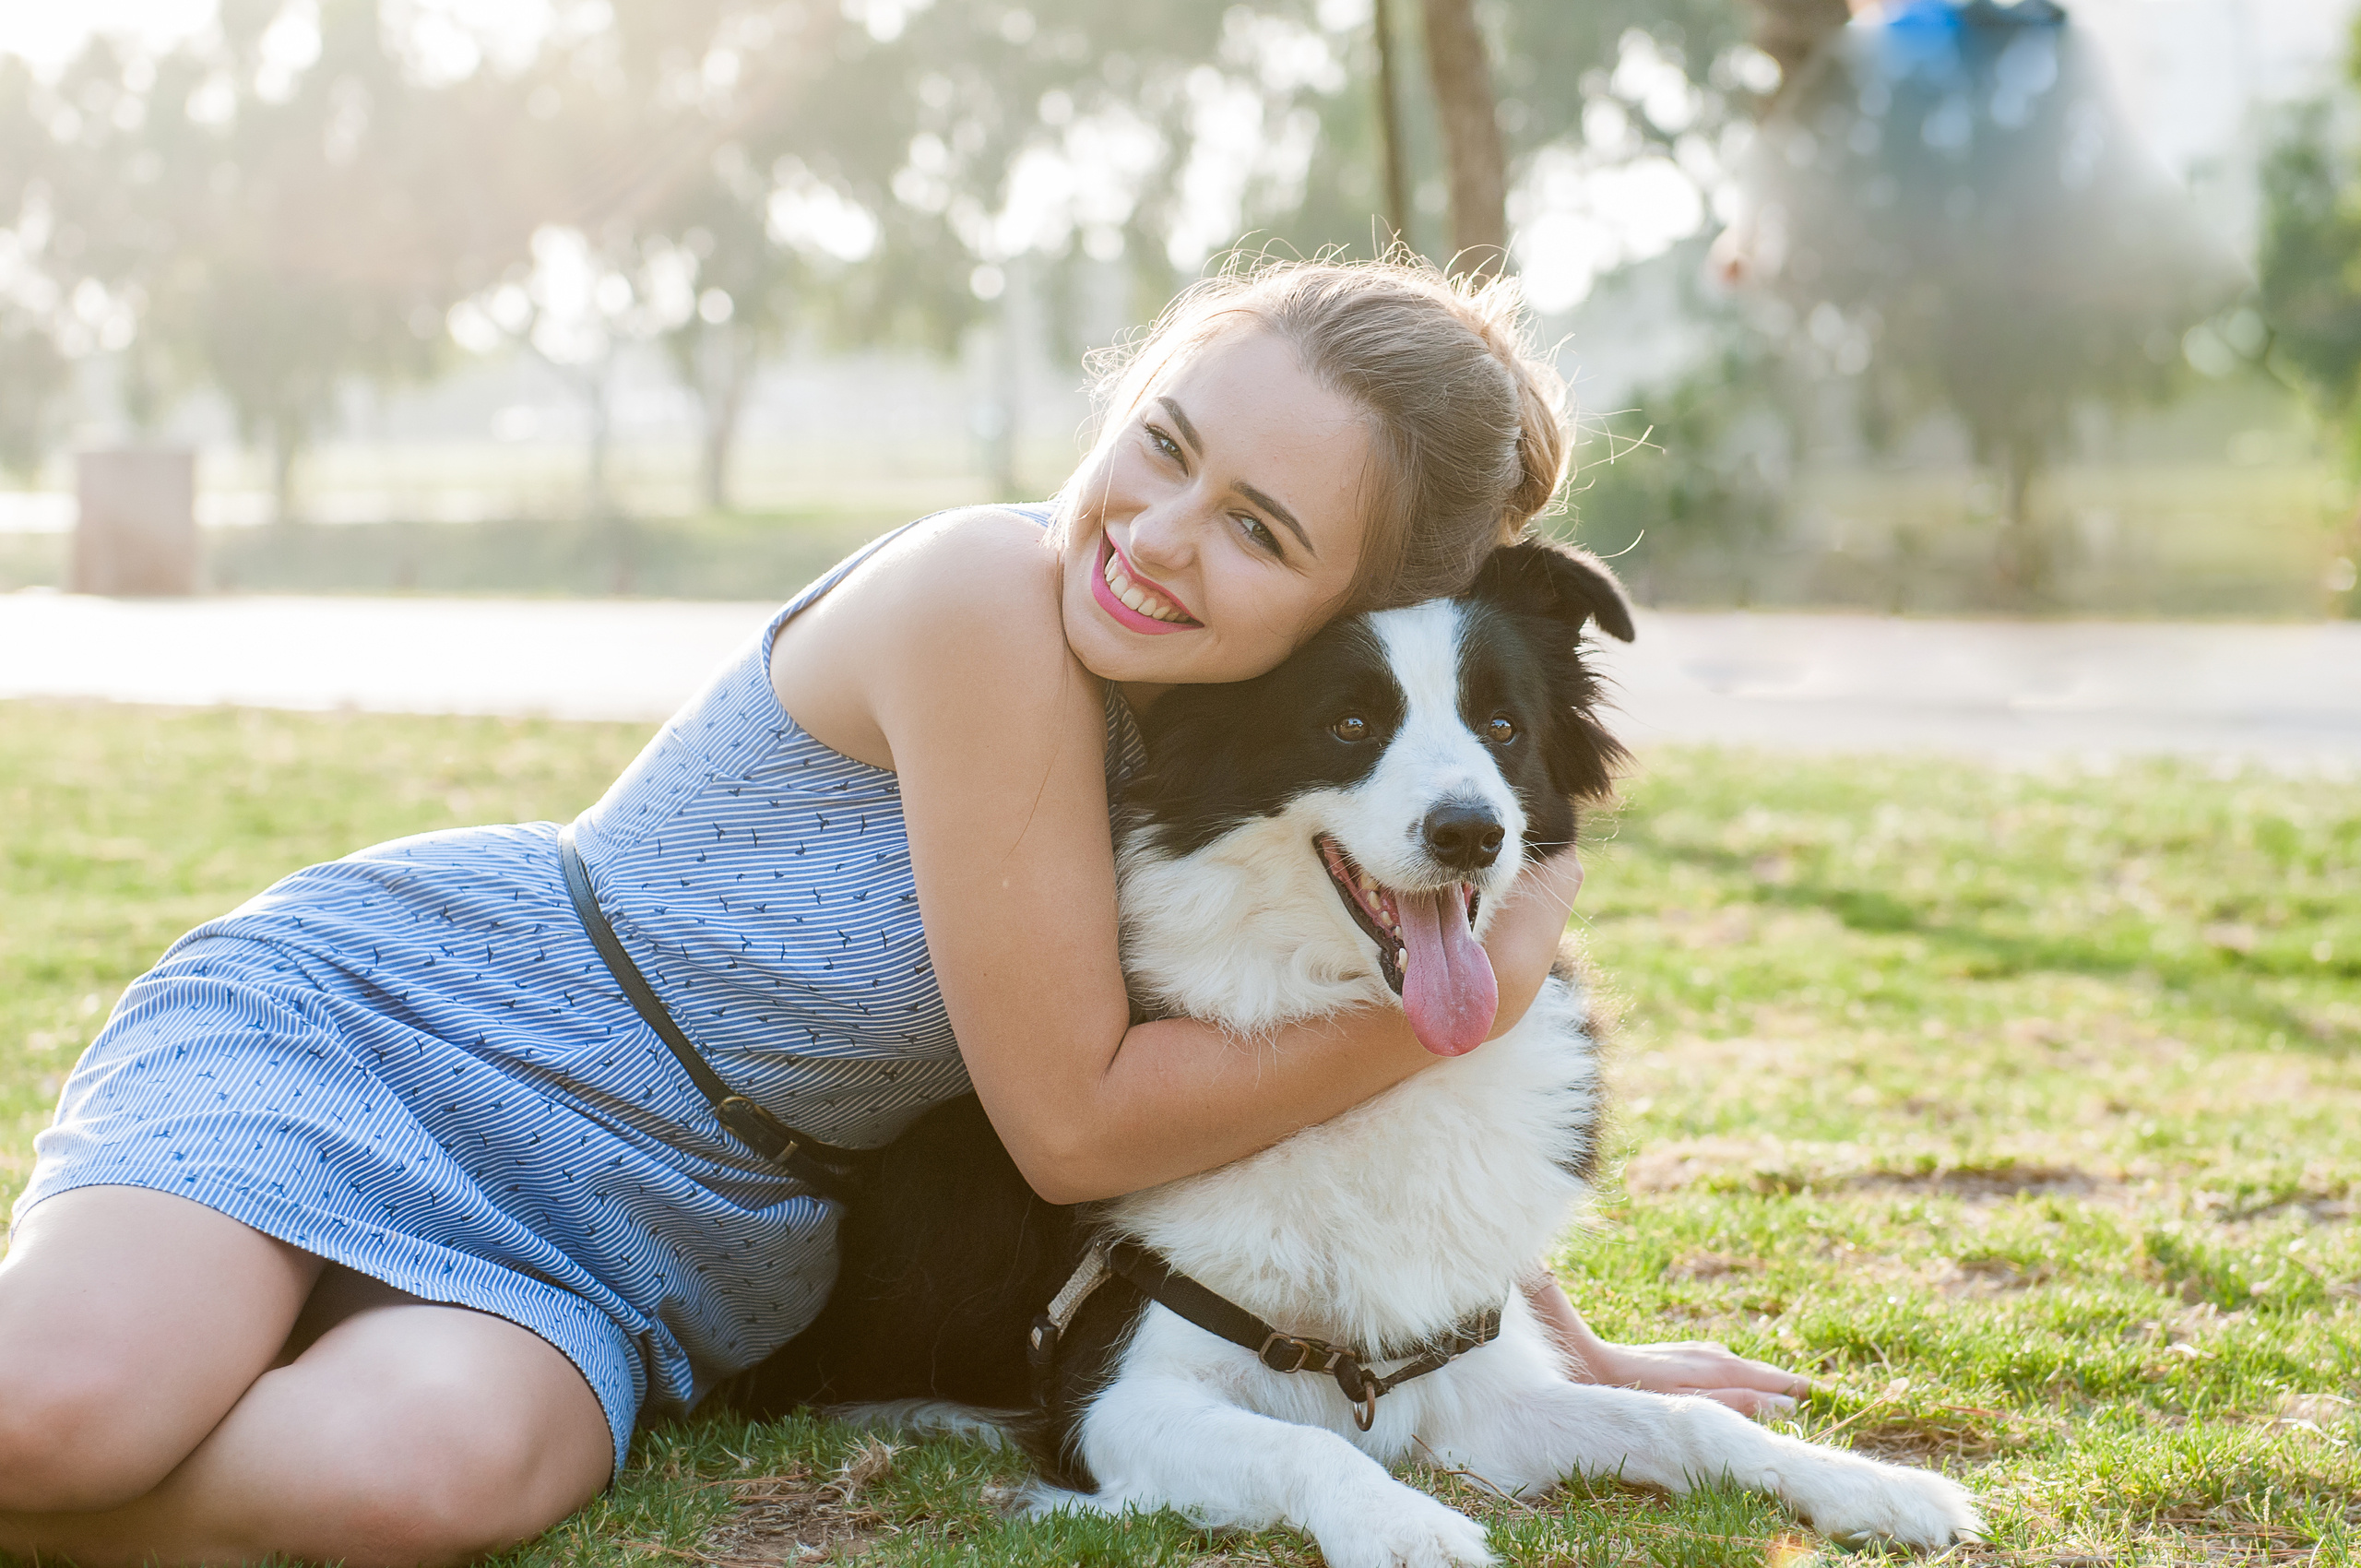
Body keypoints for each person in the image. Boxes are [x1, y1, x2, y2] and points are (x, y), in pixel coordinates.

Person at [0, 256, 1803, 1568]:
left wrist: (1541, 1333)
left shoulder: (1269, 767)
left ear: (1363, 613)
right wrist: (1487, 974)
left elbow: (1388, 1047)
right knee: (59, 1416)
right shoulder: (983, 601)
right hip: (419, 1032)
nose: (1160, 532)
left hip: (672, 1226)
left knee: (409, 1487)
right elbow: (1077, 1116)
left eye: (1256, 531)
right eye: (1157, 444)